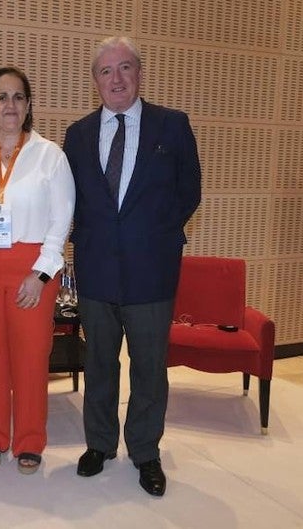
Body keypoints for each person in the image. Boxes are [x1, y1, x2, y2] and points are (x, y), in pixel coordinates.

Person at [62, 35, 201, 497]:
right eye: (106, 71)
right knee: (99, 362)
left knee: (149, 367)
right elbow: (73, 200)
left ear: (139, 74)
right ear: (95, 81)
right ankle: (99, 444)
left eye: (124, 68)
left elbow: (189, 192)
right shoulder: (78, 134)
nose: (116, 78)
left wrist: (153, 235)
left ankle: (145, 451)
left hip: (152, 272)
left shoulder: (173, 125)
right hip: (97, 272)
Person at [0, 66, 75, 475]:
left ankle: (29, 439)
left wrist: (41, 274)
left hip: (31, 268)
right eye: (2, 97)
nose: (10, 105)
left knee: (30, 355)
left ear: (28, 106)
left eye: (18, 97)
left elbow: (62, 221)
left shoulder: (50, 156)